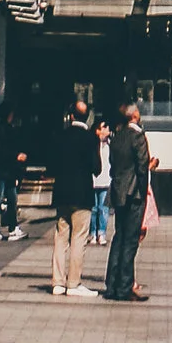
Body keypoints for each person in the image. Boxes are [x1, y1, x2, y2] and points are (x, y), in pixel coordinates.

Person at [49, 98, 99, 299]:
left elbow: (51, 165)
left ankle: (57, 282)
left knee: (61, 238)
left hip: (61, 193)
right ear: (87, 117)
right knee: (79, 238)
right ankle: (74, 282)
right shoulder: (89, 138)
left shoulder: (59, 136)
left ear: (70, 116)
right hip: (82, 194)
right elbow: (97, 168)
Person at [105, 97, 152, 301]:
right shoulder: (138, 137)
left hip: (119, 191)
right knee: (131, 241)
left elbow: (113, 164)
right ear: (134, 115)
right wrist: (144, 193)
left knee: (119, 237)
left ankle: (112, 283)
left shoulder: (117, 137)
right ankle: (125, 286)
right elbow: (142, 167)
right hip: (134, 194)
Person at [0, 97, 27, 240]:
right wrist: (16, 156)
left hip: (7, 171)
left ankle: (12, 227)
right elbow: (1, 150)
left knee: (10, 199)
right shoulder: (3, 129)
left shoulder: (3, 128)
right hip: (2, 170)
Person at [89, 116, 112, 248]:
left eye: (105, 128)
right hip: (93, 180)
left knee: (103, 208)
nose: (105, 131)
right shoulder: (92, 145)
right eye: (102, 128)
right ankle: (92, 232)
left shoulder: (111, 144)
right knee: (93, 209)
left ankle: (101, 232)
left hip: (106, 180)